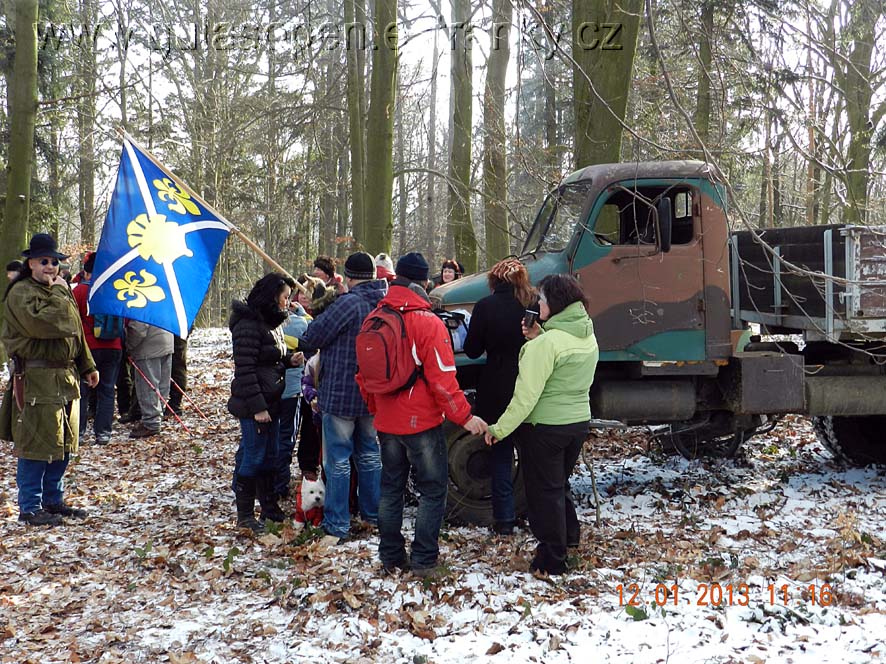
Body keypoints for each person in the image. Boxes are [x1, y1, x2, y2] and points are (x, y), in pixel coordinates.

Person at [359, 252, 487, 577]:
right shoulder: (427, 322)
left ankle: (390, 556)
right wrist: (465, 416)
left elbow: (364, 376)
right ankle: (424, 560)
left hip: (387, 421)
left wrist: (376, 410)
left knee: (391, 488)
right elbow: (444, 380)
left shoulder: (374, 317)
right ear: (423, 282)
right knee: (432, 489)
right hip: (421, 423)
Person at [484, 274, 599, 575]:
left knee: (543, 494)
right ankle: (569, 538)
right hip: (577, 423)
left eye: (543, 300)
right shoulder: (586, 333)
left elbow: (524, 398)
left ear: (556, 304)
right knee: (558, 485)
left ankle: (551, 559)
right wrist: (541, 335)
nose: (538, 304)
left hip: (545, 428)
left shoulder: (544, 346)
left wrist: (498, 430)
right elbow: (562, 349)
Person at [0, 233, 98, 526]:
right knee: (36, 444)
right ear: (31, 263)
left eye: (54, 262)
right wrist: (60, 293)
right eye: (44, 261)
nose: (50, 267)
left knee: (64, 443)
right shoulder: (21, 294)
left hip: (65, 377)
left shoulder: (60, 289)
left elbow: (76, 331)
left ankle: (53, 500)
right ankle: (30, 507)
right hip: (36, 379)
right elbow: (52, 325)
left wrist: (87, 365)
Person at [298, 252, 386, 545]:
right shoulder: (386, 302)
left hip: (342, 392)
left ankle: (338, 523)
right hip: (375, 393)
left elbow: (311, 337)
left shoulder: (349, 303)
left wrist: (321, 309)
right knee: (371, 456)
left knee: (338, 461)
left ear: (348, 277)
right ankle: (372, 515)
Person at [463, 258, 535, 535]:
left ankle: (504, 520)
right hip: (529, 383)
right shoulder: (532, 306)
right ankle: (537, 513)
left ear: (494, 280)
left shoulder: (484, 306)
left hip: (495, 386)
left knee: (501, 454)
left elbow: (471, 350)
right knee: (533, 454)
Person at [228, 272, 299, 533]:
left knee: (270, 455)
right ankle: (245, 515)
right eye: (285, 297)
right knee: (253, 456)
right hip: (254, 404)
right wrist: (258, 408)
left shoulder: (272, 323)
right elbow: (245, 370)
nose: (287, 303)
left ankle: (269, 508)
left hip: (272, 400)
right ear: (272, 296)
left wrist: (288, 359)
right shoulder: (247, 325)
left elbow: (268, 358)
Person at [72, 251, 123, 445]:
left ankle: (80, 431)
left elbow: (72, 319)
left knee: (83, 391)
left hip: (87, 347)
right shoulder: (113, 290)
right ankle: (103, 432)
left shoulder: (79, 292)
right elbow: (124, 319)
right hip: (113, 346)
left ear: (86, 272)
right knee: (107, 390)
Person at [274, 284, 311, 499]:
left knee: (273, 438)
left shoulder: (264, 323)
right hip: (291, 389)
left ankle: (271, 484)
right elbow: (312, 330)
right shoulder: (297, 322)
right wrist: (302, 313)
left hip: (272, 389)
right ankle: (280, 483)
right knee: (286, 438)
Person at [127, 320, 173, 438]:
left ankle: (151, 422)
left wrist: (128, 346)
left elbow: (138, 328)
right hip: (167, 340)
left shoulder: (140, 302)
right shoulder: (164, 301)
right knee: (162, 383)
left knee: (147, 386)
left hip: (148, 346)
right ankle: (157, 416)